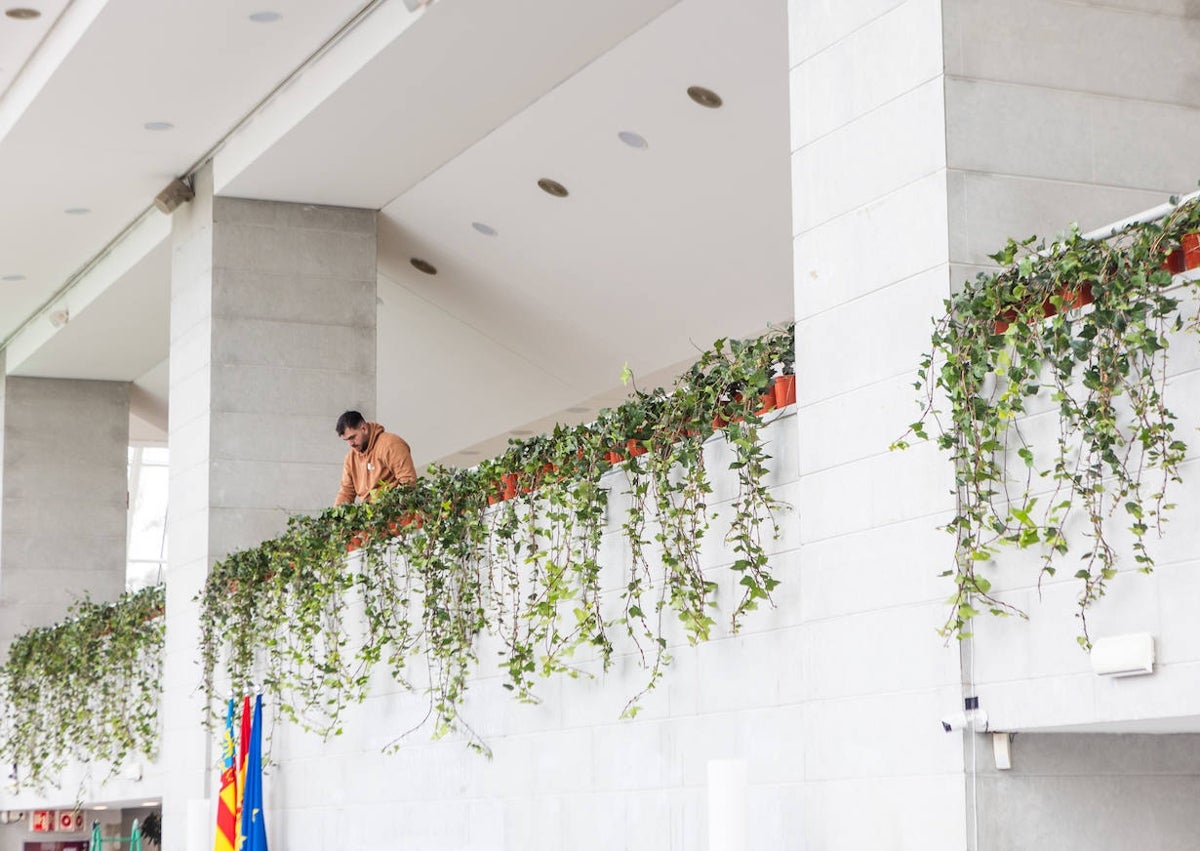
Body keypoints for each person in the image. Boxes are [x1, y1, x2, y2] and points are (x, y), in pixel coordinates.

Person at [334, 410, 417, 505]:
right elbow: (346, 492)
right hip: (368, 516)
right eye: (347, 440)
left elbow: (408, 481)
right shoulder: (350, 459)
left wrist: (390, 509)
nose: (351, 443)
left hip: (395, 514)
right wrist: (334, 518)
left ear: (364, 429)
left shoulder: (391, 444)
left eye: (352, 437)